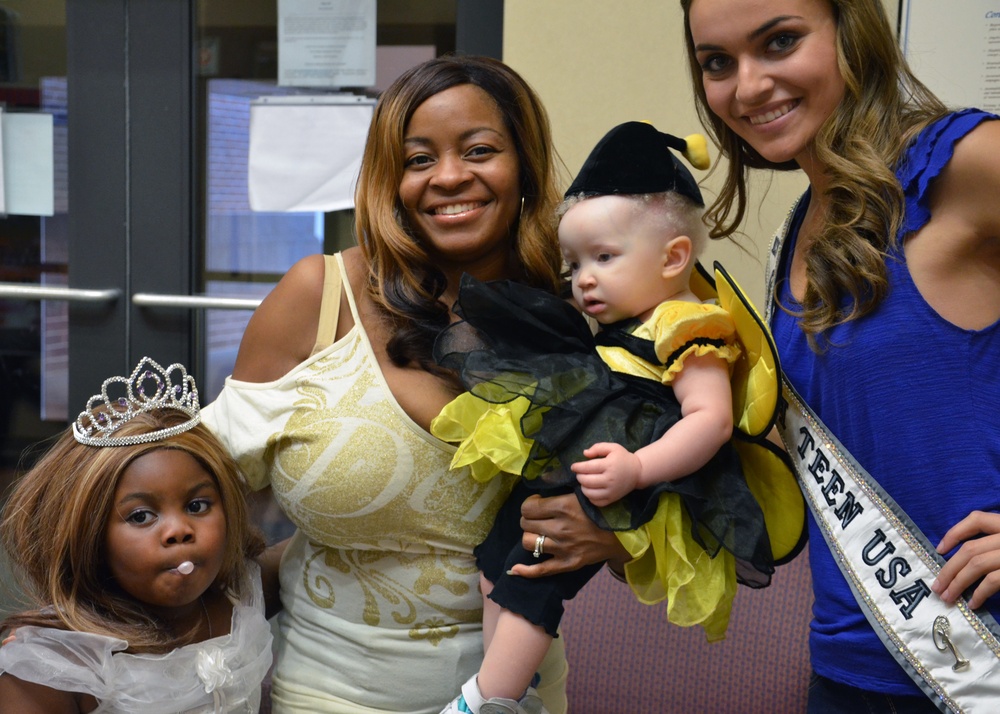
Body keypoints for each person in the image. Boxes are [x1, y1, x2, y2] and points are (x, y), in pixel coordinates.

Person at [201, 55, 618, 714]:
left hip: (514, 697)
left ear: (526, 166)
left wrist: (604, 535)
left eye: (479, 150)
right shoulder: (320, 297)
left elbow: (656, 513)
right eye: (419, 159)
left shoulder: (583, 313)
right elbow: (205, 488)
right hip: (328, 692)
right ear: (390, 179)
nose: (448, 177)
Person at [681, 0, 1000, 710]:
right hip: (847, 670)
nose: (749, 85)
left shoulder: (960, 163)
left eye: (781, 41)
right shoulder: (794, 231)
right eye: (717, 63)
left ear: (851, 31)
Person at [432, 121, 789, 714]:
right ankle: (517, 694)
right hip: (588, 468)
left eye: (603, 257)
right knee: (498, 565)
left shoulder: (688, 323)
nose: (584, 279)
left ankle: (485, 700)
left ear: (675, 257)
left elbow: (710, 420)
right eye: (574, 265)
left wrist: (638, 468)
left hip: (630, 478)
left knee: (532, 582)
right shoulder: (626, 323)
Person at [0, 357, 273, 713]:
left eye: (197, 506)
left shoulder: (241, 596)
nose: (178, 531)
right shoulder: (53, 666)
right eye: (141, 516)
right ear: (90, 536)